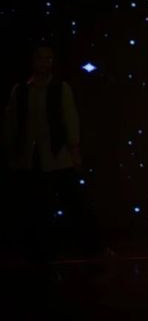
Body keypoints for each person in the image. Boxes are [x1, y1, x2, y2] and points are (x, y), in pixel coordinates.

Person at [3, 43, 104, 262]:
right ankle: (40, 252)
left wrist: (74, 149)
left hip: (58, 156)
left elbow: (70, 118)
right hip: (30, 158)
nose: (45, 63)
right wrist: (12, 151)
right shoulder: (21, 91)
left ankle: (93, 248)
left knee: (75, 203)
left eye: (49, 59)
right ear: (33, 61)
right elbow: (12, 122)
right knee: (36, 207)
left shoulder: (60, 88)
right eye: (41, 58)